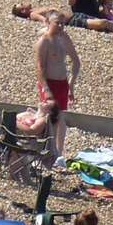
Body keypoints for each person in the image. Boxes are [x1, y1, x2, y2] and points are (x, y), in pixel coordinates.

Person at [34, 13, 79, 162]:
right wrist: (45, 89)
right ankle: (45, 151)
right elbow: (40, 68)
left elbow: (76, 61)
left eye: (62, 23)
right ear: (48, 22)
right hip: (49, 83)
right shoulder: (43, 41)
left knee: (60, 118)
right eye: (57, 23)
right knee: (49, 117)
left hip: (62, 83)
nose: (60, 26)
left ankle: (58, 153)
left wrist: (71, 85)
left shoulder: (64, 38)